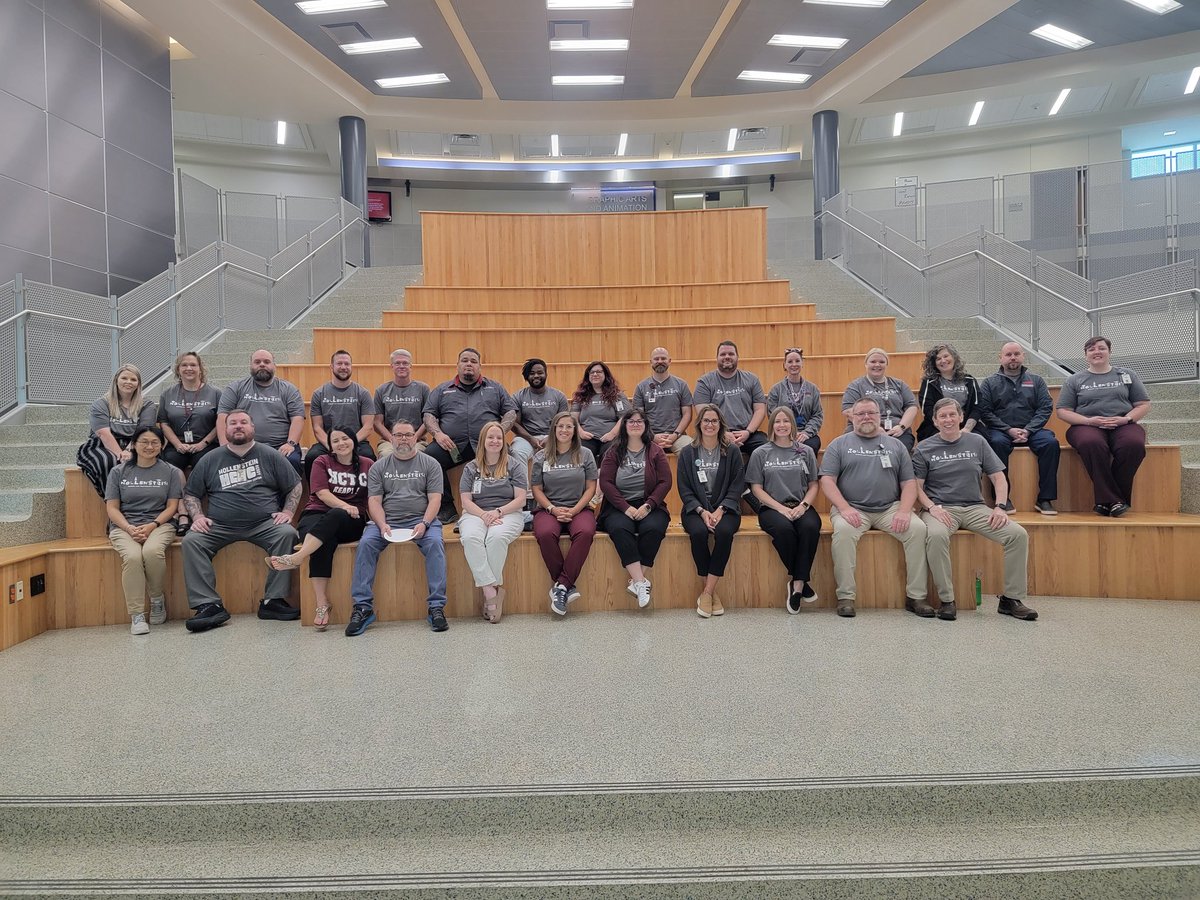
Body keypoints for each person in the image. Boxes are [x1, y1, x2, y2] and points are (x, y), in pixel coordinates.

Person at [914, 398, 1037, 622]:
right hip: (941, 508)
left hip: (974, 508)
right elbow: (917, 487)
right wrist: (931, 508)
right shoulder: (924, 447)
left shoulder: (977, 442)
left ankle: (1011, 599)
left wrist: (1000, 507)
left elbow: (998, 477)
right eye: (943, 416)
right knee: (936, 536)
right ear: (935, 421)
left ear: (961, 417)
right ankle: (947, 600)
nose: (948, 420)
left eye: (952, 415)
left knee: (1017, 535)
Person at [180, 410, 303, 632]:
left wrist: (288, 511)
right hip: (219, 525)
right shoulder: (211, 458)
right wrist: (197, 517)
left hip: (263, 524)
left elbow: (294, 485)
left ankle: (273, 601)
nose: (238, 426)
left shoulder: (270, 454)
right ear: (225, 429)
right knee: (192, 541)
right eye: (233, 423)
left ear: (252, 427)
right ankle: (208, 605)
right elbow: (190, 493)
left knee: (287, 533)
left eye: (244, 422)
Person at [819, 397, 929, 618]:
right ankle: (846, 597)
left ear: (880, 416)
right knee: (844, 532)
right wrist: (844, 508)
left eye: (871, 413)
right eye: (861, 413)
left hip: (890, 508)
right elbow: (827, 481)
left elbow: (909, 483)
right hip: (852, 508)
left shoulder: (896, 445)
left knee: (917, 529)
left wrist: (904, 511)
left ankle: (916, 596)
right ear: (852, 417)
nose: (866, 417)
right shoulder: (839, 444)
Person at [345, 420, 448, 637]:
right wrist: (382, 524)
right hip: (387, 521)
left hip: (422, 520)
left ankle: (436, 607)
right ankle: (362, 607)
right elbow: (374, 501)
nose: (403, 439)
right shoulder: (378, 466)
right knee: (366, 544)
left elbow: (435, 499)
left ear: (415, 438)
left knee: (435, 544)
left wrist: (425, 523)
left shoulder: (431, 464)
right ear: (390, 439)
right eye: (399, 435)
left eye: (408, 435)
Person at [267, 427, 374, 632]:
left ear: (353, 441)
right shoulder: (321, 461)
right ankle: (321, 603)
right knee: (324, 539)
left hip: (352, 520)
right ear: (330, 445)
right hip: (317, 513)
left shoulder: (367, 464)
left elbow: (373, 497)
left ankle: (297, 558)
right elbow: (322, 494)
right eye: (336, 441)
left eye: (345, 438)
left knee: (335, 516)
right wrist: (344, 505)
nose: (341, 443)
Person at [1055, 336, 1151, 518]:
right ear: (1085, 355)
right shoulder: (1074, 380)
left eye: (1101, 348)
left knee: (1133, 445)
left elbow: (1143, 404)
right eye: (1091, 349)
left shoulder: (1127, 375)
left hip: (1122, 423)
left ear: (1109, 352)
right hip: (1086, 425)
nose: (1096, 352)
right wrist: (1089, 421)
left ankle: (1107, 501)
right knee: (1091, 443)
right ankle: (1116, 500)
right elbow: (1063, 411)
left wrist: (1126, 419)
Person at [104, 425, 184, 634]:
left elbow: (172, 507)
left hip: (160, 524)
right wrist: (129, 528)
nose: (149, 446)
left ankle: (157, 600)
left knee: (152, 552)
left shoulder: (171, 471)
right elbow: (112, 508)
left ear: (162, 445)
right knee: (132, 557)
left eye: (155, 442)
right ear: (134, 444)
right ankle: (137, 615)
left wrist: (152, 525)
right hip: (124, 526)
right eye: (144, 442)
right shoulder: (118, 472)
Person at [422, 347, 516, 523]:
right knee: (429, 457)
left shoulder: (495, 388)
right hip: (452, 446)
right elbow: (428, 415)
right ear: (457, 365)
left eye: (473, 361)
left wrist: (499, 433)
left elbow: (510, 412)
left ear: (480, 366)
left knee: (511, 458)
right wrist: (438, 434)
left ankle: (510, 506)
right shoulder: (442, 389)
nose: (469, 364)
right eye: (464, 360)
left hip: (487, 444)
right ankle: (447, 508)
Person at [748, 407, 822, 615]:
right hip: (771, 507)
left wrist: (803, 506)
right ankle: (802, 584)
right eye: (777, 421)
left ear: (793, 424)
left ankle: (796, 585)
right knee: (784, 530)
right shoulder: (760, 453)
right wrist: (780, 508)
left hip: (800, 505)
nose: (782, 425)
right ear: (772, 425)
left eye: (786, 421)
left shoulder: (806, 451)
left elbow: (814, 484)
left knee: (810, 527)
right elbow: (756, 488)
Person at [597, 409, 672, 610]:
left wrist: (649, 505)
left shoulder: (655, 451)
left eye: (640, 421)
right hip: (618, 505)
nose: (635, 424)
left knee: (654, 528)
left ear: (646, 425)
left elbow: (665, 482)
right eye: (631, 421)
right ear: (624, 425)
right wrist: (625, 508)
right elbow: (605, 483)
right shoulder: (613, 451)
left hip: (649, 504)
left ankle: (637, 582)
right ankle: (640, 582)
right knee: (620, 529)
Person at [676, 404, 743, 618]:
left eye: (714, 421)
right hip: (695, 509)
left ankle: (707, 592)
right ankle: (710, 592)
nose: (710, 425)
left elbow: (737, 485)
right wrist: (702, 511)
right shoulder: (688, 452)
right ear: (699, 424)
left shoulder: (732, 451)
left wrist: (721, 509)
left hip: (727, 508)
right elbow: (684, 488)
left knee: (724, 533)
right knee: (698, 533)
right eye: (706, 420)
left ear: (720, 424)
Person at [977, 342, 1060, 516]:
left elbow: (1045, 408)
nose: (1013, 358)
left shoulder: (1036, 381)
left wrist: (1028, 430)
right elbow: (985, 412)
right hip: (1001, 431)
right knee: (995, 443)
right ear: (1000, 358)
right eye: (1008, 355)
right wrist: (1008, 429)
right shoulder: (989, 383)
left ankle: (1045, 499)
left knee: (1050, 443)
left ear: (1023, 356)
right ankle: (1002, 499)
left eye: (1016, 354)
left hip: (1032, 431)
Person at [459, 422, 528, 624]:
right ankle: (490, 591)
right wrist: (484, 515)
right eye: (490, 437)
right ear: (483, 441)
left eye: (499, 437)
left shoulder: (514, 465)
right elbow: (465, 501)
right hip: (476, 513)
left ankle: (490, 594)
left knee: (496, 538)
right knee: (471, 538)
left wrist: (498, 512)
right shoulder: (471, 467)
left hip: (508, 513)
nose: (495, 441)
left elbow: (521, 499)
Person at [532, 412, 599, 617]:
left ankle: (561, 586)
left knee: (586, 532)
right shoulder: (541, 456)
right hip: (548, 509)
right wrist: (552, 509)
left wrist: (575, 510)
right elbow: (536, 489)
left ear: (575, 430)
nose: (564, 430)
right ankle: (565, 586)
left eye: (569, 426)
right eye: (560, 426)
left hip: (578, 508)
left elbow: (591, 487)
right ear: (554, 429)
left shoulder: (585, 454)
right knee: (545, 534)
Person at [217, 349, 305, 475]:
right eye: (257, 362)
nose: (262, 364)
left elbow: (297, 419)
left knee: (292, 461)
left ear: (274, 366)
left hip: (280, 446)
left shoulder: (289, 390)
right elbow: (222, 417)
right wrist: (225, 447)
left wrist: (290, 444)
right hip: (244, 445)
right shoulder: (235, 388)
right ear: (250, 366)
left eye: (267, 362)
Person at [77, 365, 156, 497]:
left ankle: (139, 502)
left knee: (147, 462)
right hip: (102, 443)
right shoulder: (101, 403)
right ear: (116, 380)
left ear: (138, 384)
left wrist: (129, 450)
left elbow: (144, 430)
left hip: (137, 442)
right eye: (124, 378)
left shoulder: (147, 405)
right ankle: (113, 501)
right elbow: (103, 434)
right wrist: (120, 454)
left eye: (133, 379)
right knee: (109, 461)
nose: (128, 382)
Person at [304, 349, 375, 481]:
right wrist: (333, 445)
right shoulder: (319, 394)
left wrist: (349, 443)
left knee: (368, 455)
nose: (343, 367)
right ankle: (316, 493)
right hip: (328, 442)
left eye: (347, 364)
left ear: (351, 367)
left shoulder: (363, 393)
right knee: (311, 457)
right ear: (332, 367)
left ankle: (367, 493)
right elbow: (317, 428)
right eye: (339, 363)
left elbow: (368, 427)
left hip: (357, 441)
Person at [693, 340, 768, 458]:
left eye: (731, 354)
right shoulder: (704, 382)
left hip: (748, 433)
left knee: (765, 449)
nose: (727, 357)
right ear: (717, 358)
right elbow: (703, 414)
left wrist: (748, 432)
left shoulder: (752, 379)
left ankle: (747, 471)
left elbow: (760, 410)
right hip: (716, 433)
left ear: (737, 357)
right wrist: (722, 433)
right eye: (723, 354)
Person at [157, 351, 220, 481]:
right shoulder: (167, 394)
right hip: (177, 445)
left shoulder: (215, 393)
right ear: (178, 369)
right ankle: (176, 494)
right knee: (168, 464)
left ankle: (196, 493)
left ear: (200, 369)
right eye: (184, 365)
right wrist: (177, 444)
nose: (189, 368)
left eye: (193, 365)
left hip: (206, 444)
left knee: (205, 463)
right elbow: (164, 423)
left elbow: (220, 422)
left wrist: (202, 444)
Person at [841, 348, 918, 451]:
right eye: (873, 361)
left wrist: (901, 427)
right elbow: (847, 410)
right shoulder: (855, 386)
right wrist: (874, 428)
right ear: (866, 364)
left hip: (896, 432)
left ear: (886, 364)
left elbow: (912, 406)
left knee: (897, 451)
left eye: (882, 362)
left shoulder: (900, 384)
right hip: (864, 429)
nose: (877, 365)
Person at [509, 358, 569, 468]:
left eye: (540, 372)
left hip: (554, 436)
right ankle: (522, 480)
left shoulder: (559, 396)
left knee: (563, 452)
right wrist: (531, 439)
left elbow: (564, 422)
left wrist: (551, 438)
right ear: (526, 376)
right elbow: (514, 424)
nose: (536, 376)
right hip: (526, 438)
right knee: (517, 452)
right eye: (532, 373)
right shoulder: (518, 397)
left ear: (546, 374)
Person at [632, 347, 694, 453]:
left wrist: (675, 435)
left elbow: (687, 414)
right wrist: (652, 436)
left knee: (692, 451)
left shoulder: (681, 385)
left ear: (669, 361)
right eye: (656, 359)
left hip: (677, 436)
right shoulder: (641, 387)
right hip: (648, 437)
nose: (660, 361)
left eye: (663, 358)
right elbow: (638, 417)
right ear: (651, 362)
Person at [916, 343, 980, 442]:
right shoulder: (929, 382)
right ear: (934, 363)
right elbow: (927, 409)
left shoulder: (969, 380)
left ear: (954, 358)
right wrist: (946, 429)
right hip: (938, 426)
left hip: (966, 425)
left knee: (980, 439)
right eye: (938, 359)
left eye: (946, 356)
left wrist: (966, 429)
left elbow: (977, 407)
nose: (943, 360)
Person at [372, 348, 429, 458]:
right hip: (389, 441)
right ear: (392, 366)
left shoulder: (423, 389)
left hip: (417, 440)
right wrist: (392, 439)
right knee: (386, 455)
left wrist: (414, 438)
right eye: (397, 363)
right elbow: (377, 423)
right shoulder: (381, 390)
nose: (401, 366)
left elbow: (428, 420)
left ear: (410, 366)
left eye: (405, 363)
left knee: (416, 456)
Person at [765, 348, 824, 453]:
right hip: (782, 432)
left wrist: (806, 433)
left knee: (812, 445)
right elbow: (772, 415)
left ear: (802, 363)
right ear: (784, 365)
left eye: (797, 361)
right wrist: (789, 432)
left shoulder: (813, 389)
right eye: (790, 361)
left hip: (806, 434)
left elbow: (817, 415)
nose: (794, 364)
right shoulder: (776, 390)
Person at [570, 360, 630, 461]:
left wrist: (612, 434)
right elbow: (573, 418)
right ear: (588, 376)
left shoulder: (617, 395)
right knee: (581, 454)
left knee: (610, 455)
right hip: (586, 437)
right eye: (592, 372)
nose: (595, 374)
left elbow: (624, 417)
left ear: (605, 375)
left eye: (599, 372)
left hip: (610, 437)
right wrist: (580, 432)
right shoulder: (581, 396)